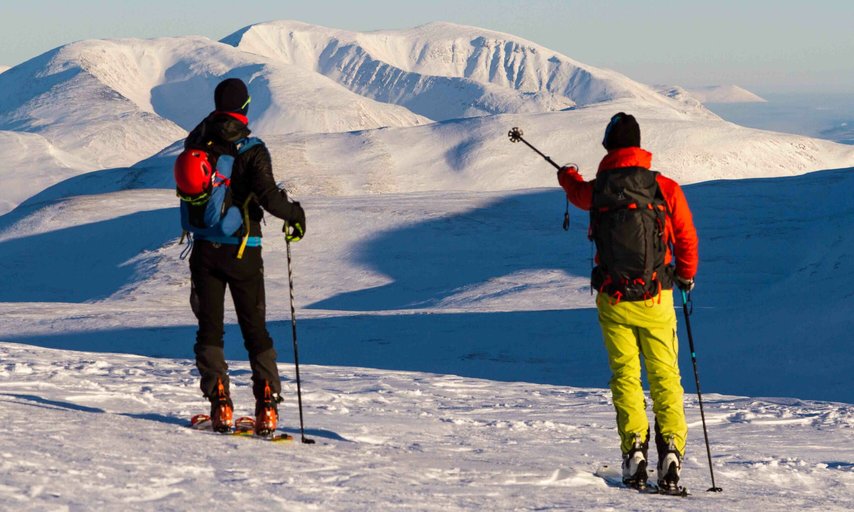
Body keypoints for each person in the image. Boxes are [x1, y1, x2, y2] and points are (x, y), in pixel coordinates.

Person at [557, 113, 698, 490]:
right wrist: (684, 276)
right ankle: (671, 449)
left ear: (609, 147)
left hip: (613, 299)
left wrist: (566, 173)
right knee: (666, 375)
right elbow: (685, 237)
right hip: (657, 298)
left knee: (625, 376)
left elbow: (575, 191)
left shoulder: (600, 188)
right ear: (639, 147)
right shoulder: (663, 187)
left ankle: (634, 449)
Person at [184, 78, 306, 436]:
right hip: (244, 251)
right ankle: (267, 407)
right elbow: (269, 197)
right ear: (245, 106)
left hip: (204, 249)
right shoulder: (252, 148)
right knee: (255, 330)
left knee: (210, 330)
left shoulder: (196, 142)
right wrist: (295, 215)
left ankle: (219, 405)